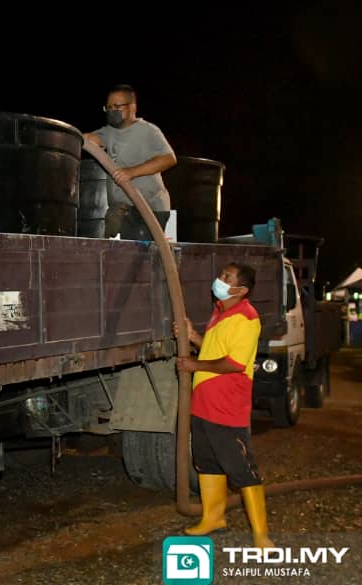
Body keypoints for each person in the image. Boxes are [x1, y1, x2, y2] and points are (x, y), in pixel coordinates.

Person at [175, 262, 274, 548]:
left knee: (242, 469)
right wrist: (193, 337)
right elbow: (214, 348)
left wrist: (193, 365)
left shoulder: (246, 318)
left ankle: (261, 535)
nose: (219, 279)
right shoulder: (220, 311)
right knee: (207, 464)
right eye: (221, 274)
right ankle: (213, 518)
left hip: (227, 407)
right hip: (204, 404)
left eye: (227, 277)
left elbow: (234, 363)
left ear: (241, 290)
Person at [83, 84, 177, 238]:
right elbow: (88, 139)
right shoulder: (108, 132)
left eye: (117, 106)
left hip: (151, 210)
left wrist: (132, 172)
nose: (112, 110)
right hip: (122, 210)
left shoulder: (148, 130)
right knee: (117, 254)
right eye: (108, 107)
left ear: (132, 107)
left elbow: (169, 158)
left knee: (148, 258)